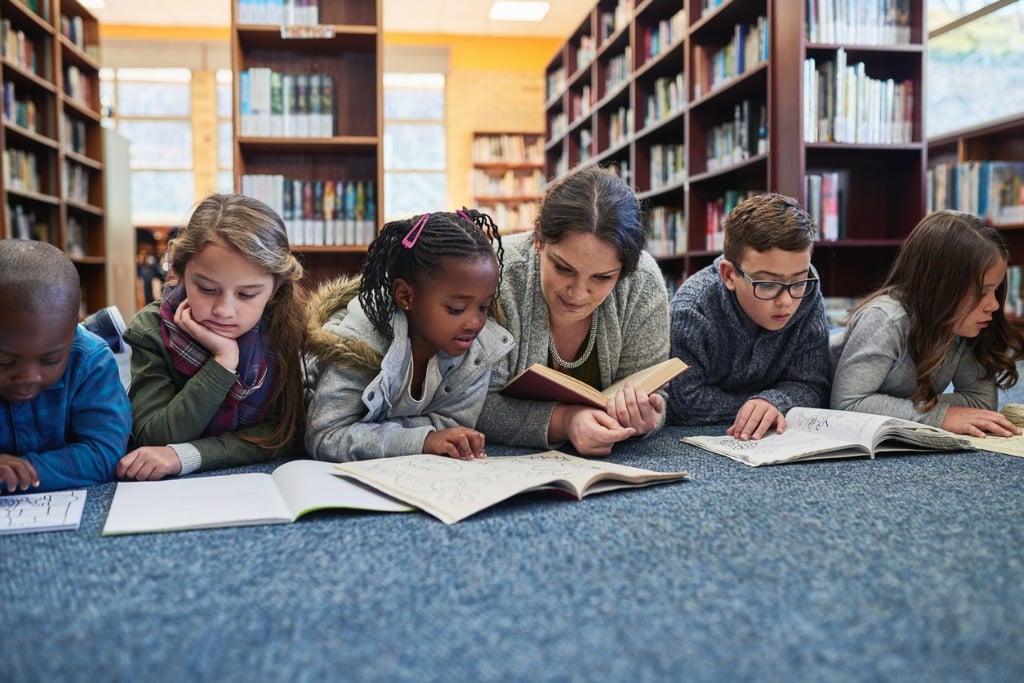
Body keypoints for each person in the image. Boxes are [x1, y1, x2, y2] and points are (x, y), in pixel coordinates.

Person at [476, 165, 671, 456]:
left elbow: (654, 390)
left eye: (603, 277)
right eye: (563, 268)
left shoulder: (642, 281)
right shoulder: (496, 274)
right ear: (538, 239)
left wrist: (649, 415)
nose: (578, 293)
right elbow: (472, 402)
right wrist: (565, 421)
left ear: (624, 272)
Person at [116, 193, 307, 480]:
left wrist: (187, 455)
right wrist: (222, 362)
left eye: (247, 294)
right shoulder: (152, 329)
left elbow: (280, 434)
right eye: (206, 288)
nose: (224, 310)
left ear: (275, 289)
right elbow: (154, 437)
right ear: (180, 273)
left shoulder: (285, 327)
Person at [304, 209, 513, 461]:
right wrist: (422, 439)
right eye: (456, 309)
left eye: (483, 306)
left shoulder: (479, 351)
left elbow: (452, 424)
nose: (475, 322)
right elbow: (325, 435)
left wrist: (424, 438)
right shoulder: (358, 344)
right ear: (405, 296)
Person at [830, 209, 1024, 436]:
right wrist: (939, 414)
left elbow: (981, 403)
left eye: (996, 290)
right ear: (939, 288)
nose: (994, 305)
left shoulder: (964, 325)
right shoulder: (885, 320)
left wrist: (890, 406)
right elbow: (846, 404)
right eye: (981, 292)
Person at [666, 192, 830, 440]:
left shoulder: (808, 291)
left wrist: (773, 401)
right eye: (766, 284)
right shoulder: (693, 309)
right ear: (729, 275)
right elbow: (684, 402)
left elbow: (813, 385)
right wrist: (757, 406)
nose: (786, 301)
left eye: (797, 281)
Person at [0, 239, 131, 493]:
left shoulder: (91, 361)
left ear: (73, 331)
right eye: (4, 361)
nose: (28, 377)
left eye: (50, 360)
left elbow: (105, 453)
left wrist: (22, 472)